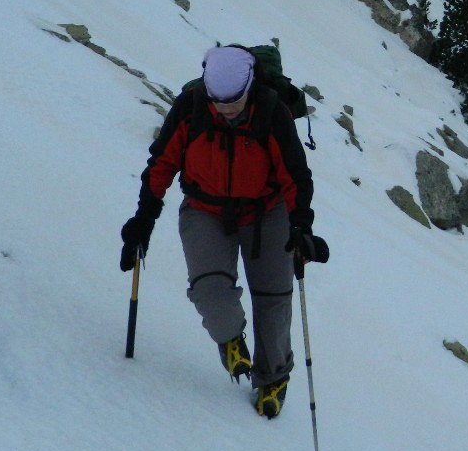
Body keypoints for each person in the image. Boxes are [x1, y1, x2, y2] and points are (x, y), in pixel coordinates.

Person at [120, 45, 327, 418]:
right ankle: (230, 338)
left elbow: (296, 175)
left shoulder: (272, 111)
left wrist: (301, 226)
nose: (226, 109)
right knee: (210, 292)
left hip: (267, 211)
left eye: (234, 101)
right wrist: (144, 219)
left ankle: (273, 378)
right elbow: (162, 162)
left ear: (249, 86)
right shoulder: (191, 107)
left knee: (274, 298)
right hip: (204, 208)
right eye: (218, 101)